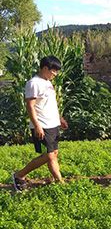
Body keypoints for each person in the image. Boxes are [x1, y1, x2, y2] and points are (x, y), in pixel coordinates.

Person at [12, 56, 68, 191]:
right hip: (42, 125)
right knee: (47, 155)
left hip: (52, 124)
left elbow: (50, 104)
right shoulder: (33, 83)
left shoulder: (47, 82)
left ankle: (60, 182)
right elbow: (30, 106)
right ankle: (19, 175)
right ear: (44, 68)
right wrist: (37, 125)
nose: (55, 74)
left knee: (53, 154)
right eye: (53, 71)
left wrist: (59, 118)